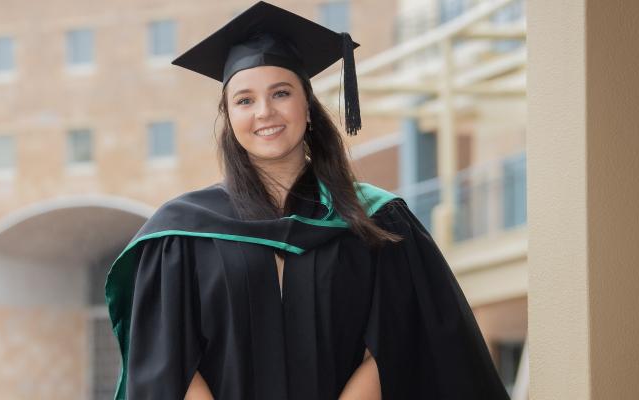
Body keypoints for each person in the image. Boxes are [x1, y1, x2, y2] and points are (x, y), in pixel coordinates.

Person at [104, 1, 510, 399]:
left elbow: (399, 341)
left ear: (308, 107)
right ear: (228, 118)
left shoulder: (378, 221)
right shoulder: (182, 233)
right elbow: (166, 360)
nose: (264, 112)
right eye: (244, 100)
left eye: (281, 93)